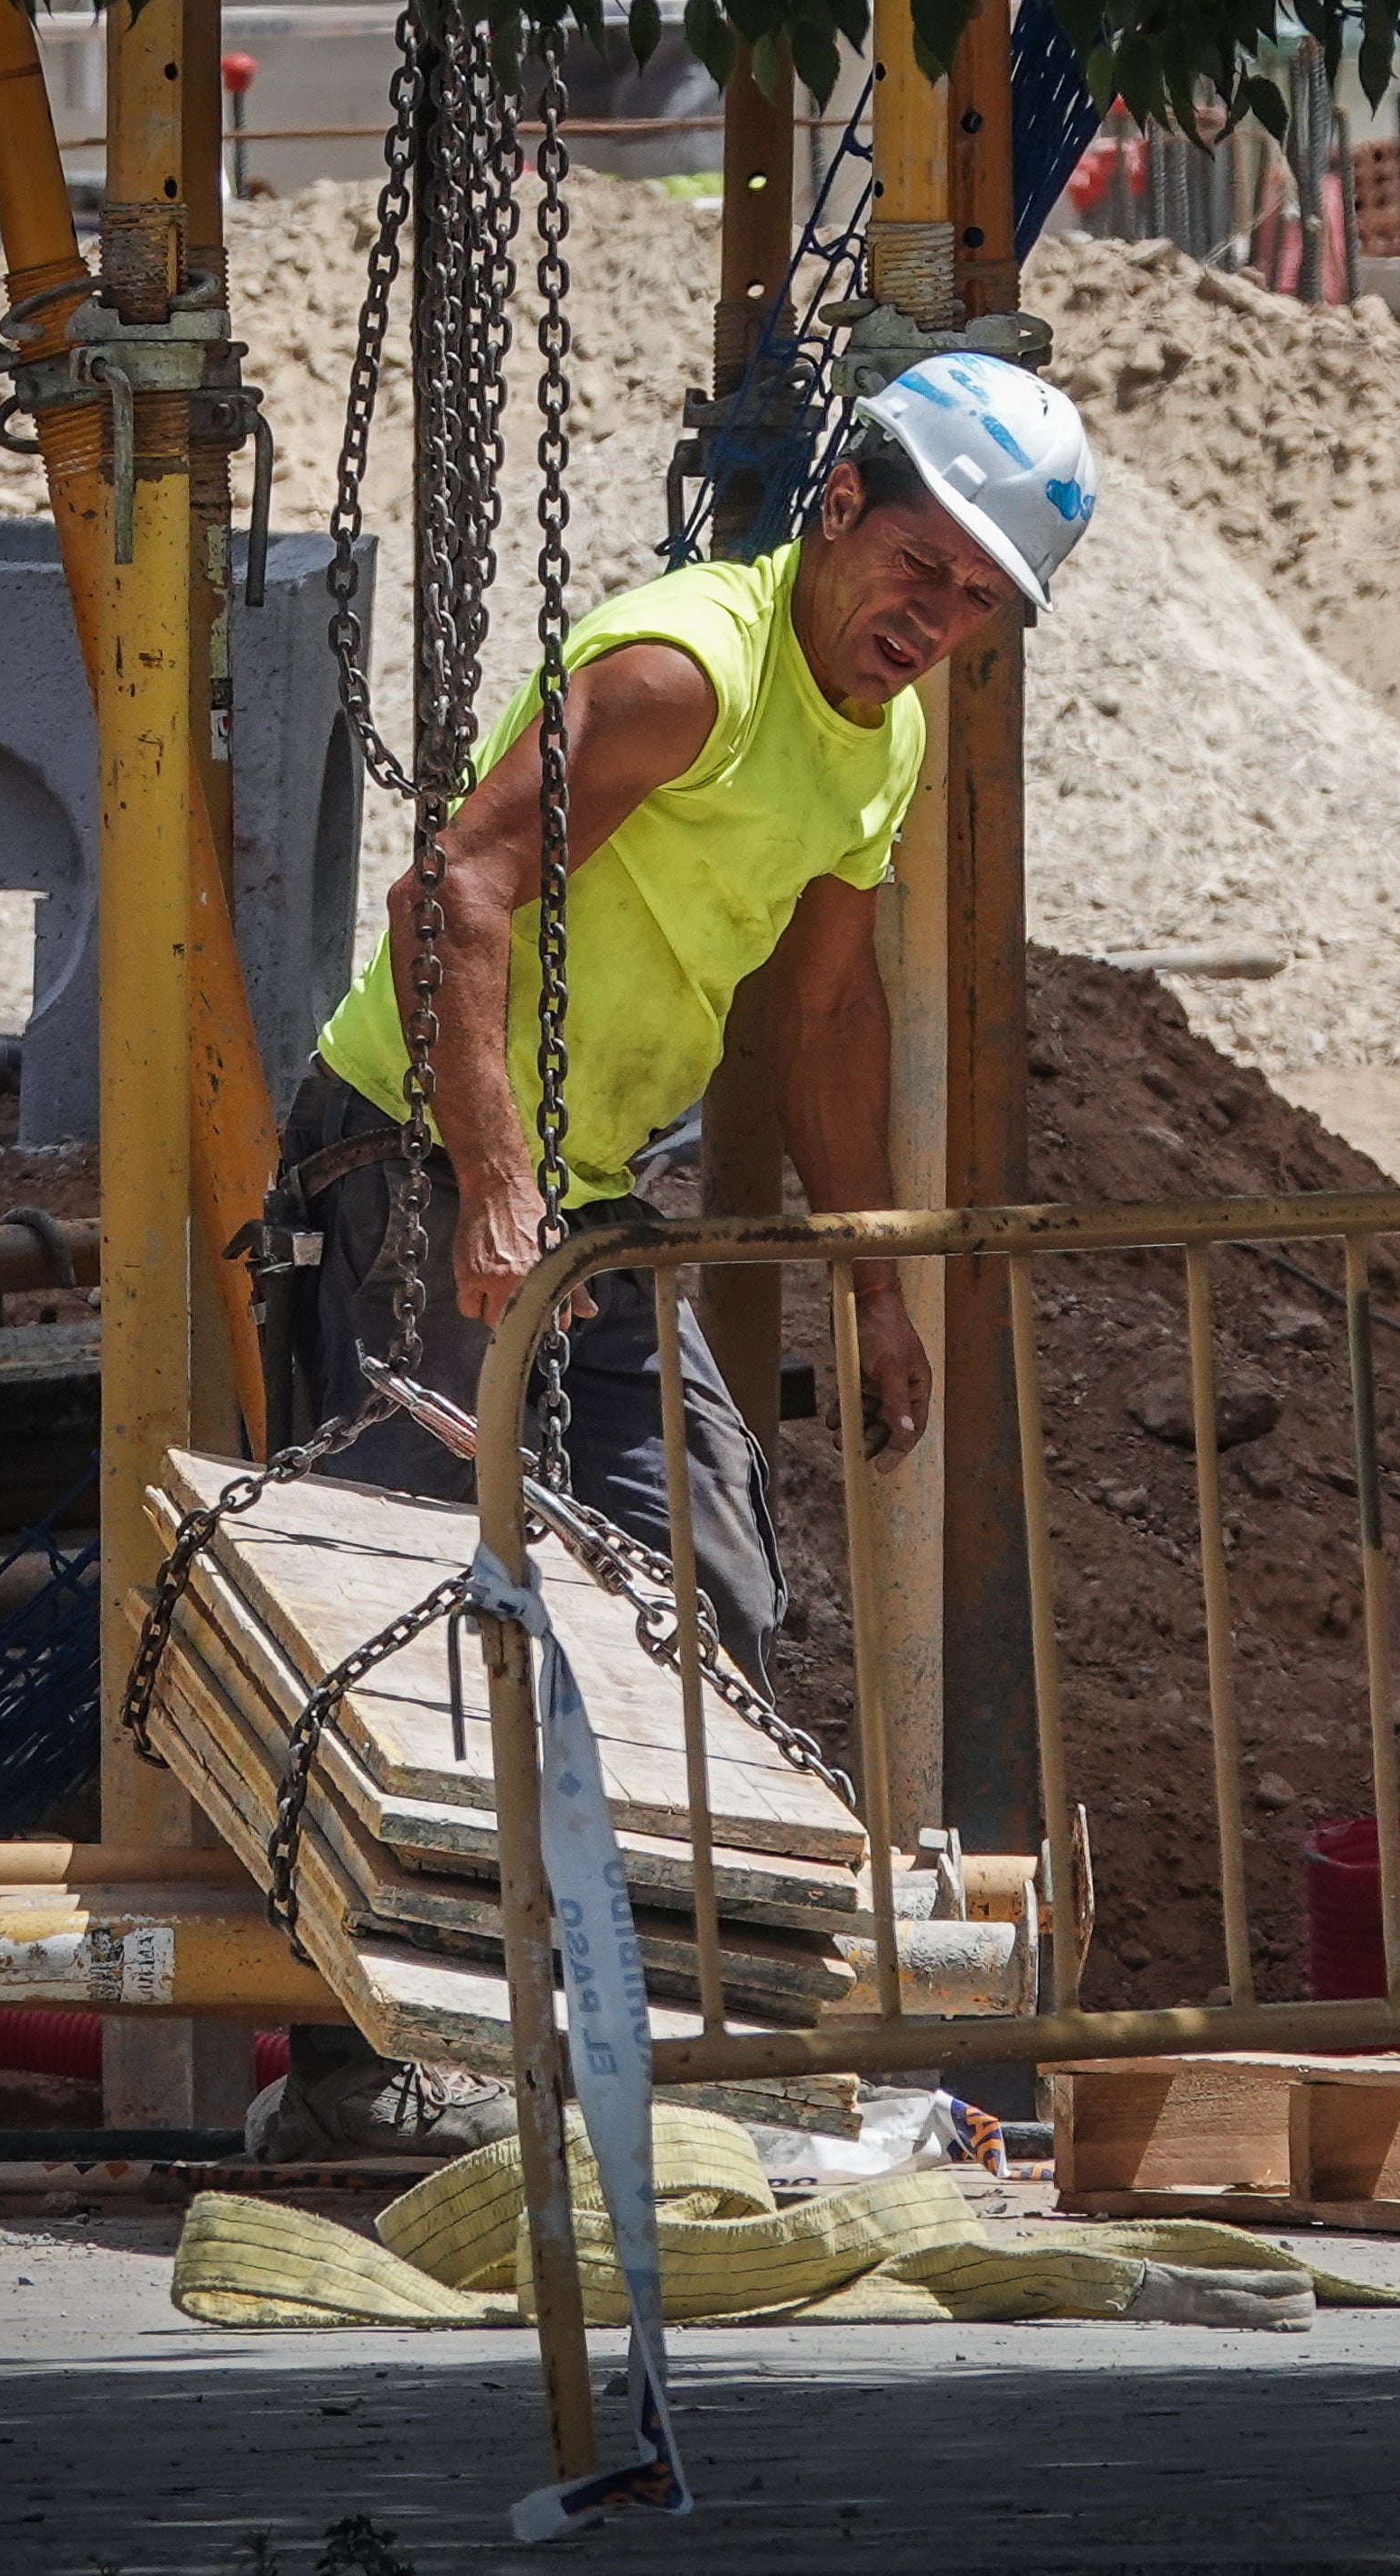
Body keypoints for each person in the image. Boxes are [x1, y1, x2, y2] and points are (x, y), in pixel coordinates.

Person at [245, 354, 1098, 2158]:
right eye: (918, 570)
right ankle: (362, 2074)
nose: (929, 622)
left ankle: (661, 2045)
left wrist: (872, 1281)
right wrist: (487, 1185)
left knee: (699, 1591)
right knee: (412, 1608)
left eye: (971, 606)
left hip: (599, 1194)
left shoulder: (881, 734)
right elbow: (451, 895)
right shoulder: (681, 673)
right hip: (414, 1164)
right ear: (842, 508)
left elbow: (832, 1006)